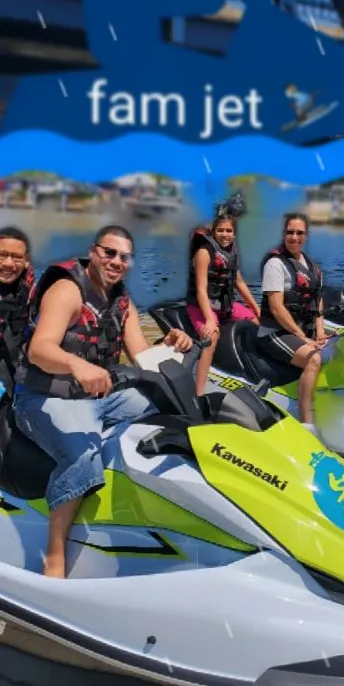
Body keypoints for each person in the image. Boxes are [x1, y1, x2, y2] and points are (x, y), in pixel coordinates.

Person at [12, 225, 192, 579]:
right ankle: (55, 555)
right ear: (93, 252)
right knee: (81, 455)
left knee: (162, 407)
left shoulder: (122, 301)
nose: (116, 262)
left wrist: (172, 342)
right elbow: (40, 349)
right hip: (44, 397)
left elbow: (140, 354)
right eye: (109, 253)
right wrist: (77, 364)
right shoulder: (67, 291)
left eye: (124, 257)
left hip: (98, 398)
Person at [257, 213, 327, 426]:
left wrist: (321, 331)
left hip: (301, 331)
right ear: (283, 233)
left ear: (306, 236)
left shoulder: (312, 266)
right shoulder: (275, 264)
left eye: (299, 233)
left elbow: (318, 301)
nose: (294, 237)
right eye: (290, 232)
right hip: (275, 332)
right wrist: (303, 338)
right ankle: (306, 423)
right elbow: (277, 308)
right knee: (313, 359)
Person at [186, 193, 260, 396]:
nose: (225, 234)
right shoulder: (204, 252)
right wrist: (209, 319)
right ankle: (199, 394)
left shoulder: (232, 251)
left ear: (234, 234)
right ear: (214, 231)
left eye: (229, 231)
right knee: (212, 338)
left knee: (257, 321)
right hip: (202, 305)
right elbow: (201, 289)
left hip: (225, 304)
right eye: (221, 230)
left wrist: (256, 308)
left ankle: (252, 369)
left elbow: (239, 282)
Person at [0, 226, 36, 397]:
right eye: (2, 255)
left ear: (27, 260)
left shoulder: (35, 292)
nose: (8, 263)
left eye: (16, 257)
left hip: (14, 366)